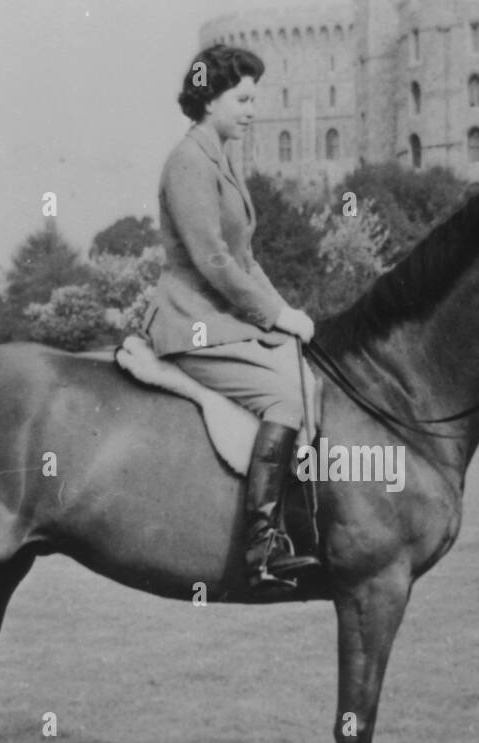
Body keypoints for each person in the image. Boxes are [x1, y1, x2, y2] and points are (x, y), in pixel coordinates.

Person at [139, 45, 320, 592]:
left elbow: (246, 259)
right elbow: (212, 260)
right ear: (210, 98)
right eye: (242, 99)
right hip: (191, 321)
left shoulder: (221, 156)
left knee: (306, 380)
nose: (252, 108)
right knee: (285, 400)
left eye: (253, 99)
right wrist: (273, 314)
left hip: (225, 320)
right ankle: (262, 548)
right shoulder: (188, 161)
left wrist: (284, 313)